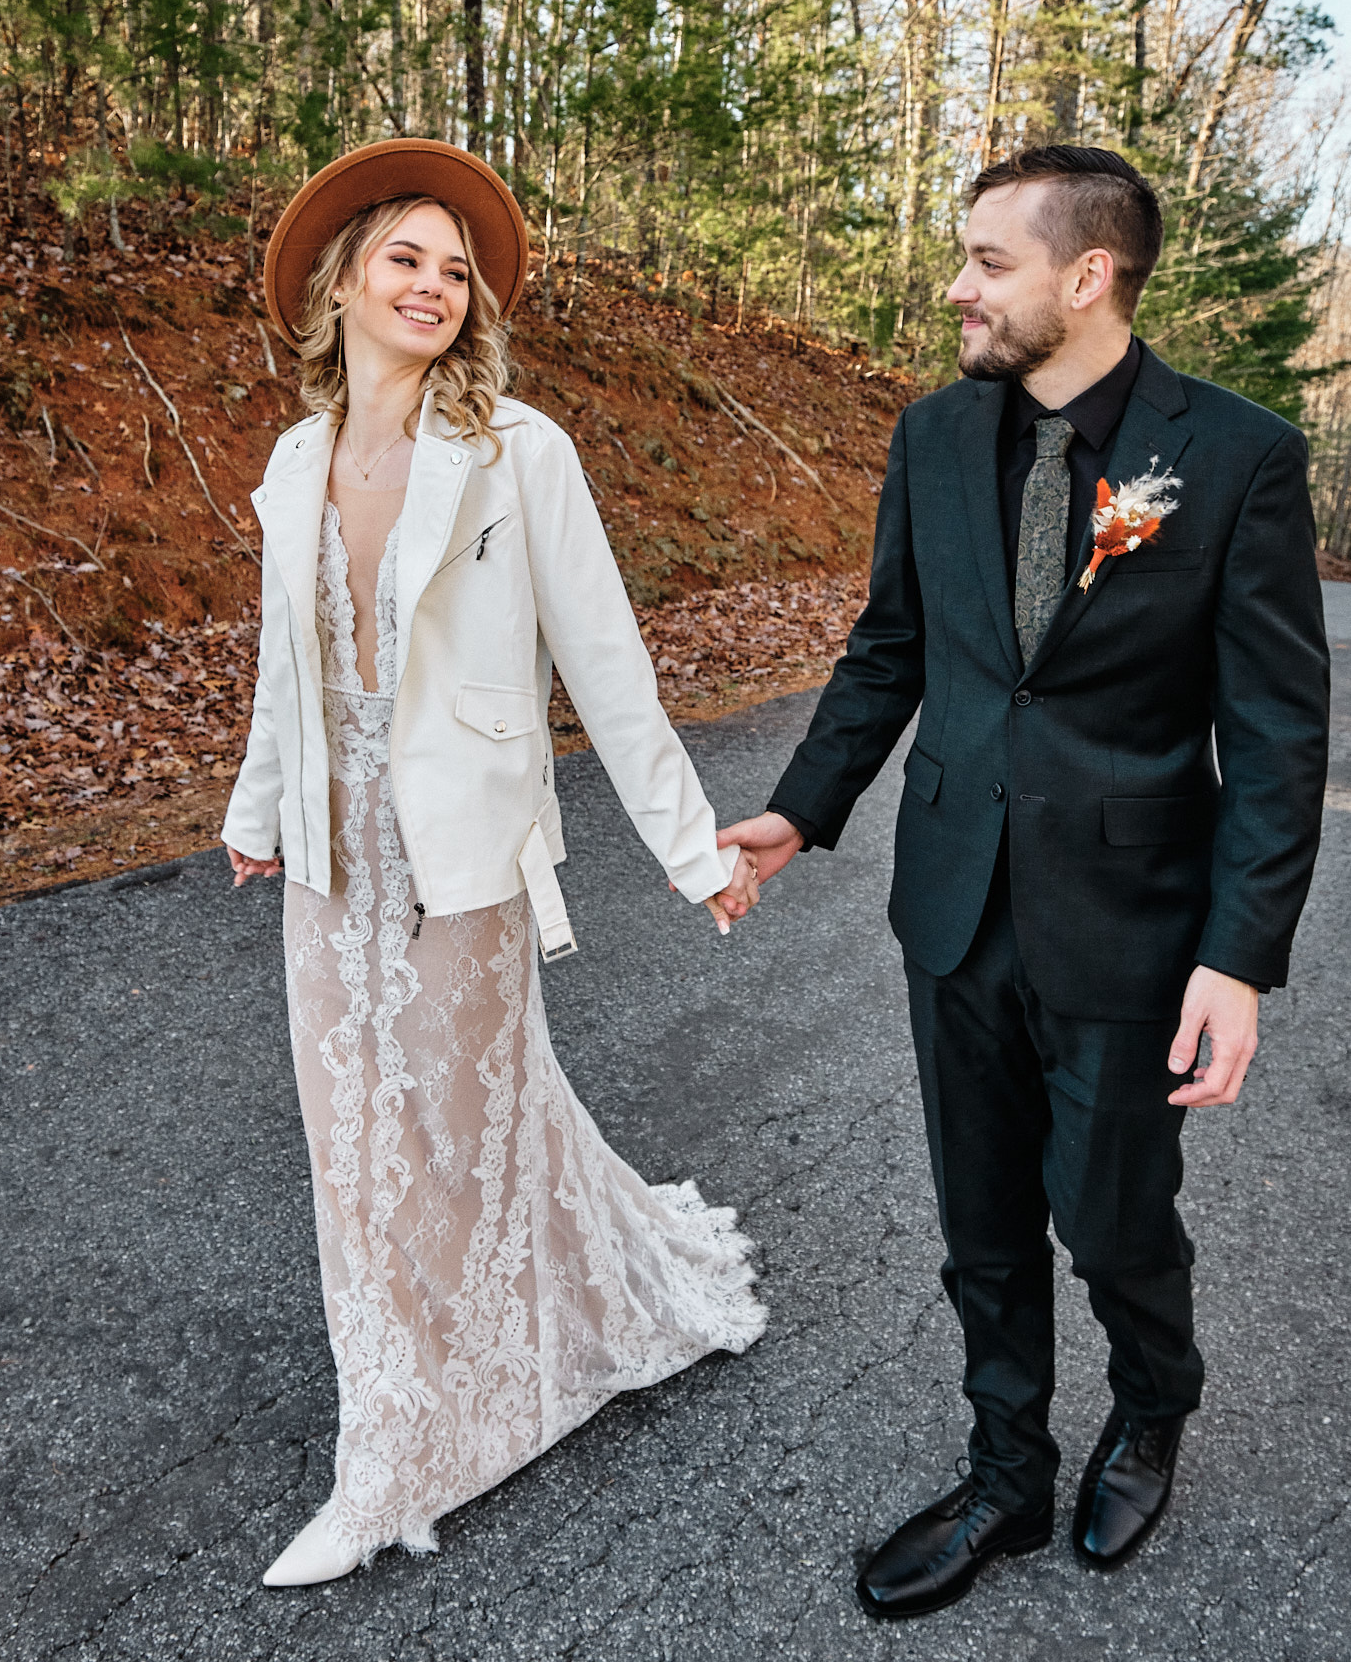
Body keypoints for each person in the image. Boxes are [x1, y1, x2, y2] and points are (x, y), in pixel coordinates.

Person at [720, 144, 1329, 1619]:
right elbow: (890, 648)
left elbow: (1272, 732)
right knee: (979, 1221)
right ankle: (1004, 1471)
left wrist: (1237, 957)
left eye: (988, 260)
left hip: (1128, 924)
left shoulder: (1235, 456)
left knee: (1111, 1215)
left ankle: (1153, 1402)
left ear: (1088, 276)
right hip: (952, 901)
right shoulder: (933, 437)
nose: (958, 286)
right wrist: (799, 814)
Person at [221, 139, 765, 1588]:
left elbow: (607, 661)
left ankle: (429, 1431)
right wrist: (257, 806)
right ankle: (393, 1431)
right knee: (355, 1151)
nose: (433, 286)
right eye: (404, 257)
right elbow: (287, 662)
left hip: (465, 847)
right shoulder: (293, 459)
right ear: (338, 282)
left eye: (455, 270)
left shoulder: (520, 452)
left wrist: (689, 844)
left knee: (452, 1132)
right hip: (335, 851)